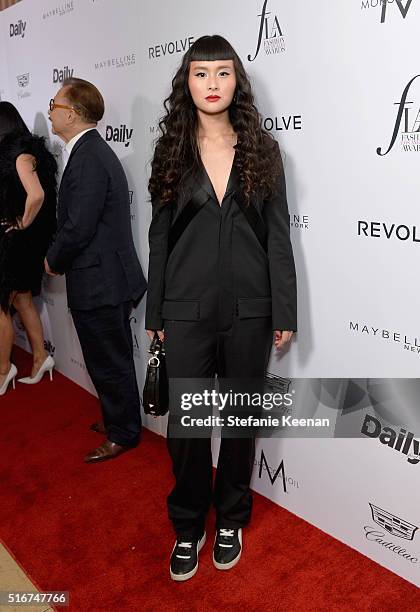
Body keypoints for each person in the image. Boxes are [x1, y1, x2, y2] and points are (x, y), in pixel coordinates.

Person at [146, 35, 297, 581]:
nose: (212, 84)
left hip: (251, 310)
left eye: (222, 73)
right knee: (187, 430)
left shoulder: (263, 149)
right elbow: (158, 239)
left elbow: (279, 237)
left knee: (237, 422)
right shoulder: (171, 151)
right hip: (183, 312)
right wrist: (156, 316)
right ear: (186, 83)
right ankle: (188, 525)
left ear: (238, 81)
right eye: (200, 73)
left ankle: (231, 516)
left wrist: (284, 310)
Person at [46, 77, 147, 463]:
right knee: (104, 358)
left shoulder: (89, 156)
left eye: (54, 103)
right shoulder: (88, 151)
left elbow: (79, 225)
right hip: (100, 276)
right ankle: (116, 419)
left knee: (110, 360)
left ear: (70, 113)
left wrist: (53, 259)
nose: (51, 110)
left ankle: (124, 432)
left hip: (102, 280)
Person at [0, 102, 57, 396]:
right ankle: (40, 358)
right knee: (22, 301)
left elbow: (36, 195)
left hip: (15, 244)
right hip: (24, 244)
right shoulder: (28, 151)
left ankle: (3, 370)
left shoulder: (18, 152)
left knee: (1, 305)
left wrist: (21, 223)